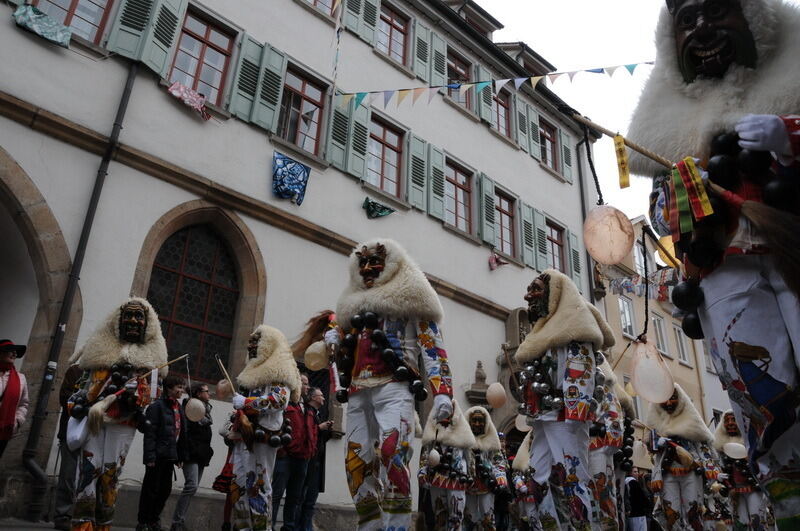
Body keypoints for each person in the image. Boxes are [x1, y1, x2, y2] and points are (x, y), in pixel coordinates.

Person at [627, 2, 800, 526]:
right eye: (686, 18)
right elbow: (662, 213)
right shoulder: (670, 132)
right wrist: (685, 192)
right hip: (726, 273)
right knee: (763, 398)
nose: (701, 28)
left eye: (717, 10)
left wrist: (790, 136)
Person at [326, 238, 454, 530]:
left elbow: (432, 347)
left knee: (393, 456)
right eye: (364, 263)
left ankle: (396, 526)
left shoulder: (412, 295)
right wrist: (332, 334)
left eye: (376, 262)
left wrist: (443, 392)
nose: (369, 268)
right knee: (355, 464)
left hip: (395, 387)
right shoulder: (352, 304)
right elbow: (340, 332)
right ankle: (370, 524)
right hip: (358, 390)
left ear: (391, 266)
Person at [513, 269, 614, 530]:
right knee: (537, 477)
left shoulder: (573, 327)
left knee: (573, 477)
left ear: (554, 294)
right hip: (543, 417)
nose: (529, 294)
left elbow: (581, 370)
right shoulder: (543, 333)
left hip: (566, 417)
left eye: (536, 289)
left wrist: (575, 413)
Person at [68, 298, 167, 531]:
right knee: (87, 473)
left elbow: (152, 395)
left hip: (123, 423)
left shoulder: (149, 360)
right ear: (118, 321)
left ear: (147, 323)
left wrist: (137, 393)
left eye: (139, 316)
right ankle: (82, 527)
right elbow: (81, 387)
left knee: (110, 476)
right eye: (129, 316)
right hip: (93, 421)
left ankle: (103, 526)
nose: (133, 320)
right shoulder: (99, 352)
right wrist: (78, 403)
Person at [230, 325, 302, 531]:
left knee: (258, 485)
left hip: (264, 435)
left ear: (269, 345)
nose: (251, 345)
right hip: (244, 435)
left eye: (256, 341)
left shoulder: (279, 371)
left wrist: (247, 402)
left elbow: (278, 401)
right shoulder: (253, 372)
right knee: (239, 483)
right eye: (251, 341)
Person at [646, 384, 719, 531]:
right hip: (667, 473)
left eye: (672, 398)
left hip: (691, 472)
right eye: (664, 400)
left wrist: (709, 468)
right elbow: (651, 447)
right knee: (671, 514)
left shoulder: (691, 420)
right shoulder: (656, 424)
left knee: (693, 512)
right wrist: (656, 443)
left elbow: (703, 445)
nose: (668, 403)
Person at [137, 374, 188, 531]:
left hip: (170, 456)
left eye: (182, 387)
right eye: (179, 387)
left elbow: (182, 433)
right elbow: (150, 434)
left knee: (164, 491)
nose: (182, 390)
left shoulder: (178, 407)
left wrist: (180, 456)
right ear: (169, 389)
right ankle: (143, 522)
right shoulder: (156, 407)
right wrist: (150, 457)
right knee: (150, 491)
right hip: (157, 456)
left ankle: (154, 520)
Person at [419, 399, 475, 530]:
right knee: (439, 516)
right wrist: (422, 471)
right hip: (436, 477)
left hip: (458, 478)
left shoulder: (463, 432)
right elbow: (425, 454)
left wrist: (471, 476)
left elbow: (470, 458)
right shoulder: (433, 432)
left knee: (456, 516)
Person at [714, 410, 773, 529]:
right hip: (734, 491)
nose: (730, 423)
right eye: (727, 421)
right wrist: (718, 476)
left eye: (733, 420)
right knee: (741, 523)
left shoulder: (752, 443)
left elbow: (763, 463)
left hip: (753, 488)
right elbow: (717, 466)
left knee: (757, 520)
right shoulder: (720, 448)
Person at [271, 373, 312, 531]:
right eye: (304, 383)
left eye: (307, 384)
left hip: (302, 458)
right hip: (285, 457)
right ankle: (270, 525)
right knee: (276, 494)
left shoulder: (306, 406)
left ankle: (288, 528)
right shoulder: (284, 403)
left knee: (295, 498)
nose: (307, 387)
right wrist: (281, 449)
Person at [170, 382, 214, 531]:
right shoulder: (191, 408)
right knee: (191, 485)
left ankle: (179, 521)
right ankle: (177, 521)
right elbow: (185, 433)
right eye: (206, 391)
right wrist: (182, 454)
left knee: (193, 488)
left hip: (201, 454)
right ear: (198, 393)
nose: (210, 394)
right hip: (191, 453)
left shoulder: (205, 410)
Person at [587, 358, 625, 531]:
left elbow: (614, 415)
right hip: (578, 444)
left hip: (598, 447)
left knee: (603, 493)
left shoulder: (605, 387)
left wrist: (609, 446)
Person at [463, 406, 508, 530]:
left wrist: (501, 479)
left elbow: (498, 462)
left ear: (486, 422)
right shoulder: (463, 441)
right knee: (469, 519)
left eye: (480, 421)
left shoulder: (492, 440)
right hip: (468, 486)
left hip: (487, 485)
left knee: (487, 518)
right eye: (474, 420)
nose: (477, 424)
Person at [53, 363, 84, 530]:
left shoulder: (106, 373)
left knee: (86, 477)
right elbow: (64, 398)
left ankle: (81, 516)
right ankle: (62, 515)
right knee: (68, 474)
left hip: (93, 434)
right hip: (71, 431)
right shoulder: (76, 371)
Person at [296, 386, 333, 531]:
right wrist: (319, 428)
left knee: (310, 500)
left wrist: (326, 430)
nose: (324, 397)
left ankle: (306, 527)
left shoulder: (317, 414)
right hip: (309, 462)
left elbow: (319, 439)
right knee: (302, 499)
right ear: (313, 398)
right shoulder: (307, 413)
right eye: (321, 395)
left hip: (317, 462)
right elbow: (305, 434)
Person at [0, 339, 28, 460]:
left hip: (4, 430)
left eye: (16, 352)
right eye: (10, 351)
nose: (15, 354)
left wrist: (17, 421)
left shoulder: (20, 378)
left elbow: (24, 404)